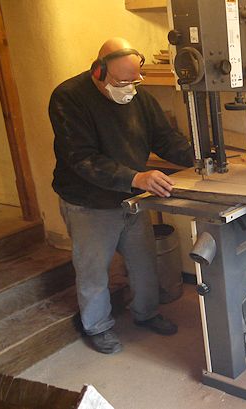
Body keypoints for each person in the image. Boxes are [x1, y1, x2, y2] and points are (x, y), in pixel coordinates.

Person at [49, 38, 193, 354]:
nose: (129, 87)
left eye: (134, 80)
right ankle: (97, 327)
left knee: (143, 263)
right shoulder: (68, 98)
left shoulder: (138, 98)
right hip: (88, 201)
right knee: (93, 271)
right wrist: (136, 177)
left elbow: (164, 138)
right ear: (99, 72)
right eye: (122, 81)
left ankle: (146, 313)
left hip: (130, 198)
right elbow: (82, 158)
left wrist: (199, 157)